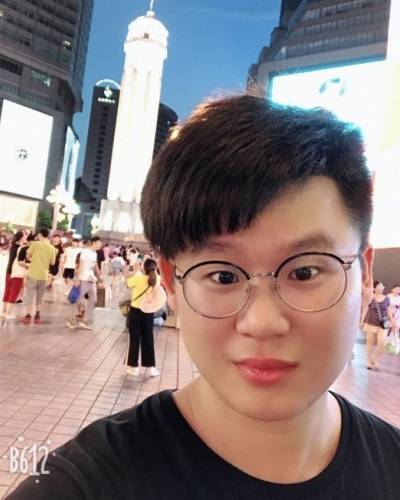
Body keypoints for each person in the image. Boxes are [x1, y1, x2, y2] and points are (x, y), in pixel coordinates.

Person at [8, 94, 400, 499]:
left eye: (304, 272)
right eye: (223, 276)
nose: (262, 322)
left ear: (365, 275)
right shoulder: (79, 488)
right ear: (171, 283)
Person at [125, 258, 161, 377]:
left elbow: (126, 283)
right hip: (148, 312)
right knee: (148, 339)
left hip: (135, 311)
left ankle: (133, 368)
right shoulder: (157, 279)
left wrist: (133, 270)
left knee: (134, 339)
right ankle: (151, 368)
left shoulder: (138, 278)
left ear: (144, 268)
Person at [19, 228, 56, 325]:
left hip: (33, 273)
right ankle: (37, 316)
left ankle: (28, 316)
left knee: (30, 295)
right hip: (44, 275)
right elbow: (53, 262)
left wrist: (34, 258)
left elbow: (27, 256)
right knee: (40, 296)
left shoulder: (35, 244)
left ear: (40, 234)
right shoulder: (52, 248)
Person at [66, 236, 103, 331]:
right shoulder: (85, 252)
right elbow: (81, 266)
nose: (100, 245)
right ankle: (71, 320)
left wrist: (100, 278)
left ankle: (85, 321)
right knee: (77, 299)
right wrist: (77, 279)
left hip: (91, 280)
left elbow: (95, 267)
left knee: (93, 299)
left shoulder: (95, 253)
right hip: (83, 279)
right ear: (93, 243)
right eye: (99, 243)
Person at [363, 280, 394, 370]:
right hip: (371, 323)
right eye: (380, 286)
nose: (382, 287)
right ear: (374, 288)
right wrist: (362, 320)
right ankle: (369, 362)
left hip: (383, 325)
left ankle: (375, 359)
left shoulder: (387, 298)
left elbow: (389, 311)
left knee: (382, 343)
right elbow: (365, 309)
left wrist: (393, 321)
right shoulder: (371, 298)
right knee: (370, 343)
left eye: (382, 286)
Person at [1, 231, 26, 320]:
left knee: (7, 291)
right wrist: (28, 266)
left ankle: (3, 311)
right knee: (14, 293)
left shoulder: (12, 246)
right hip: (17, 273)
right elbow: (20, 262)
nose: (25, 237)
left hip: (8, 271)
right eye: (24, 236)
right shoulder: (22, 248)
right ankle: (9, 313)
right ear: (21, 238)